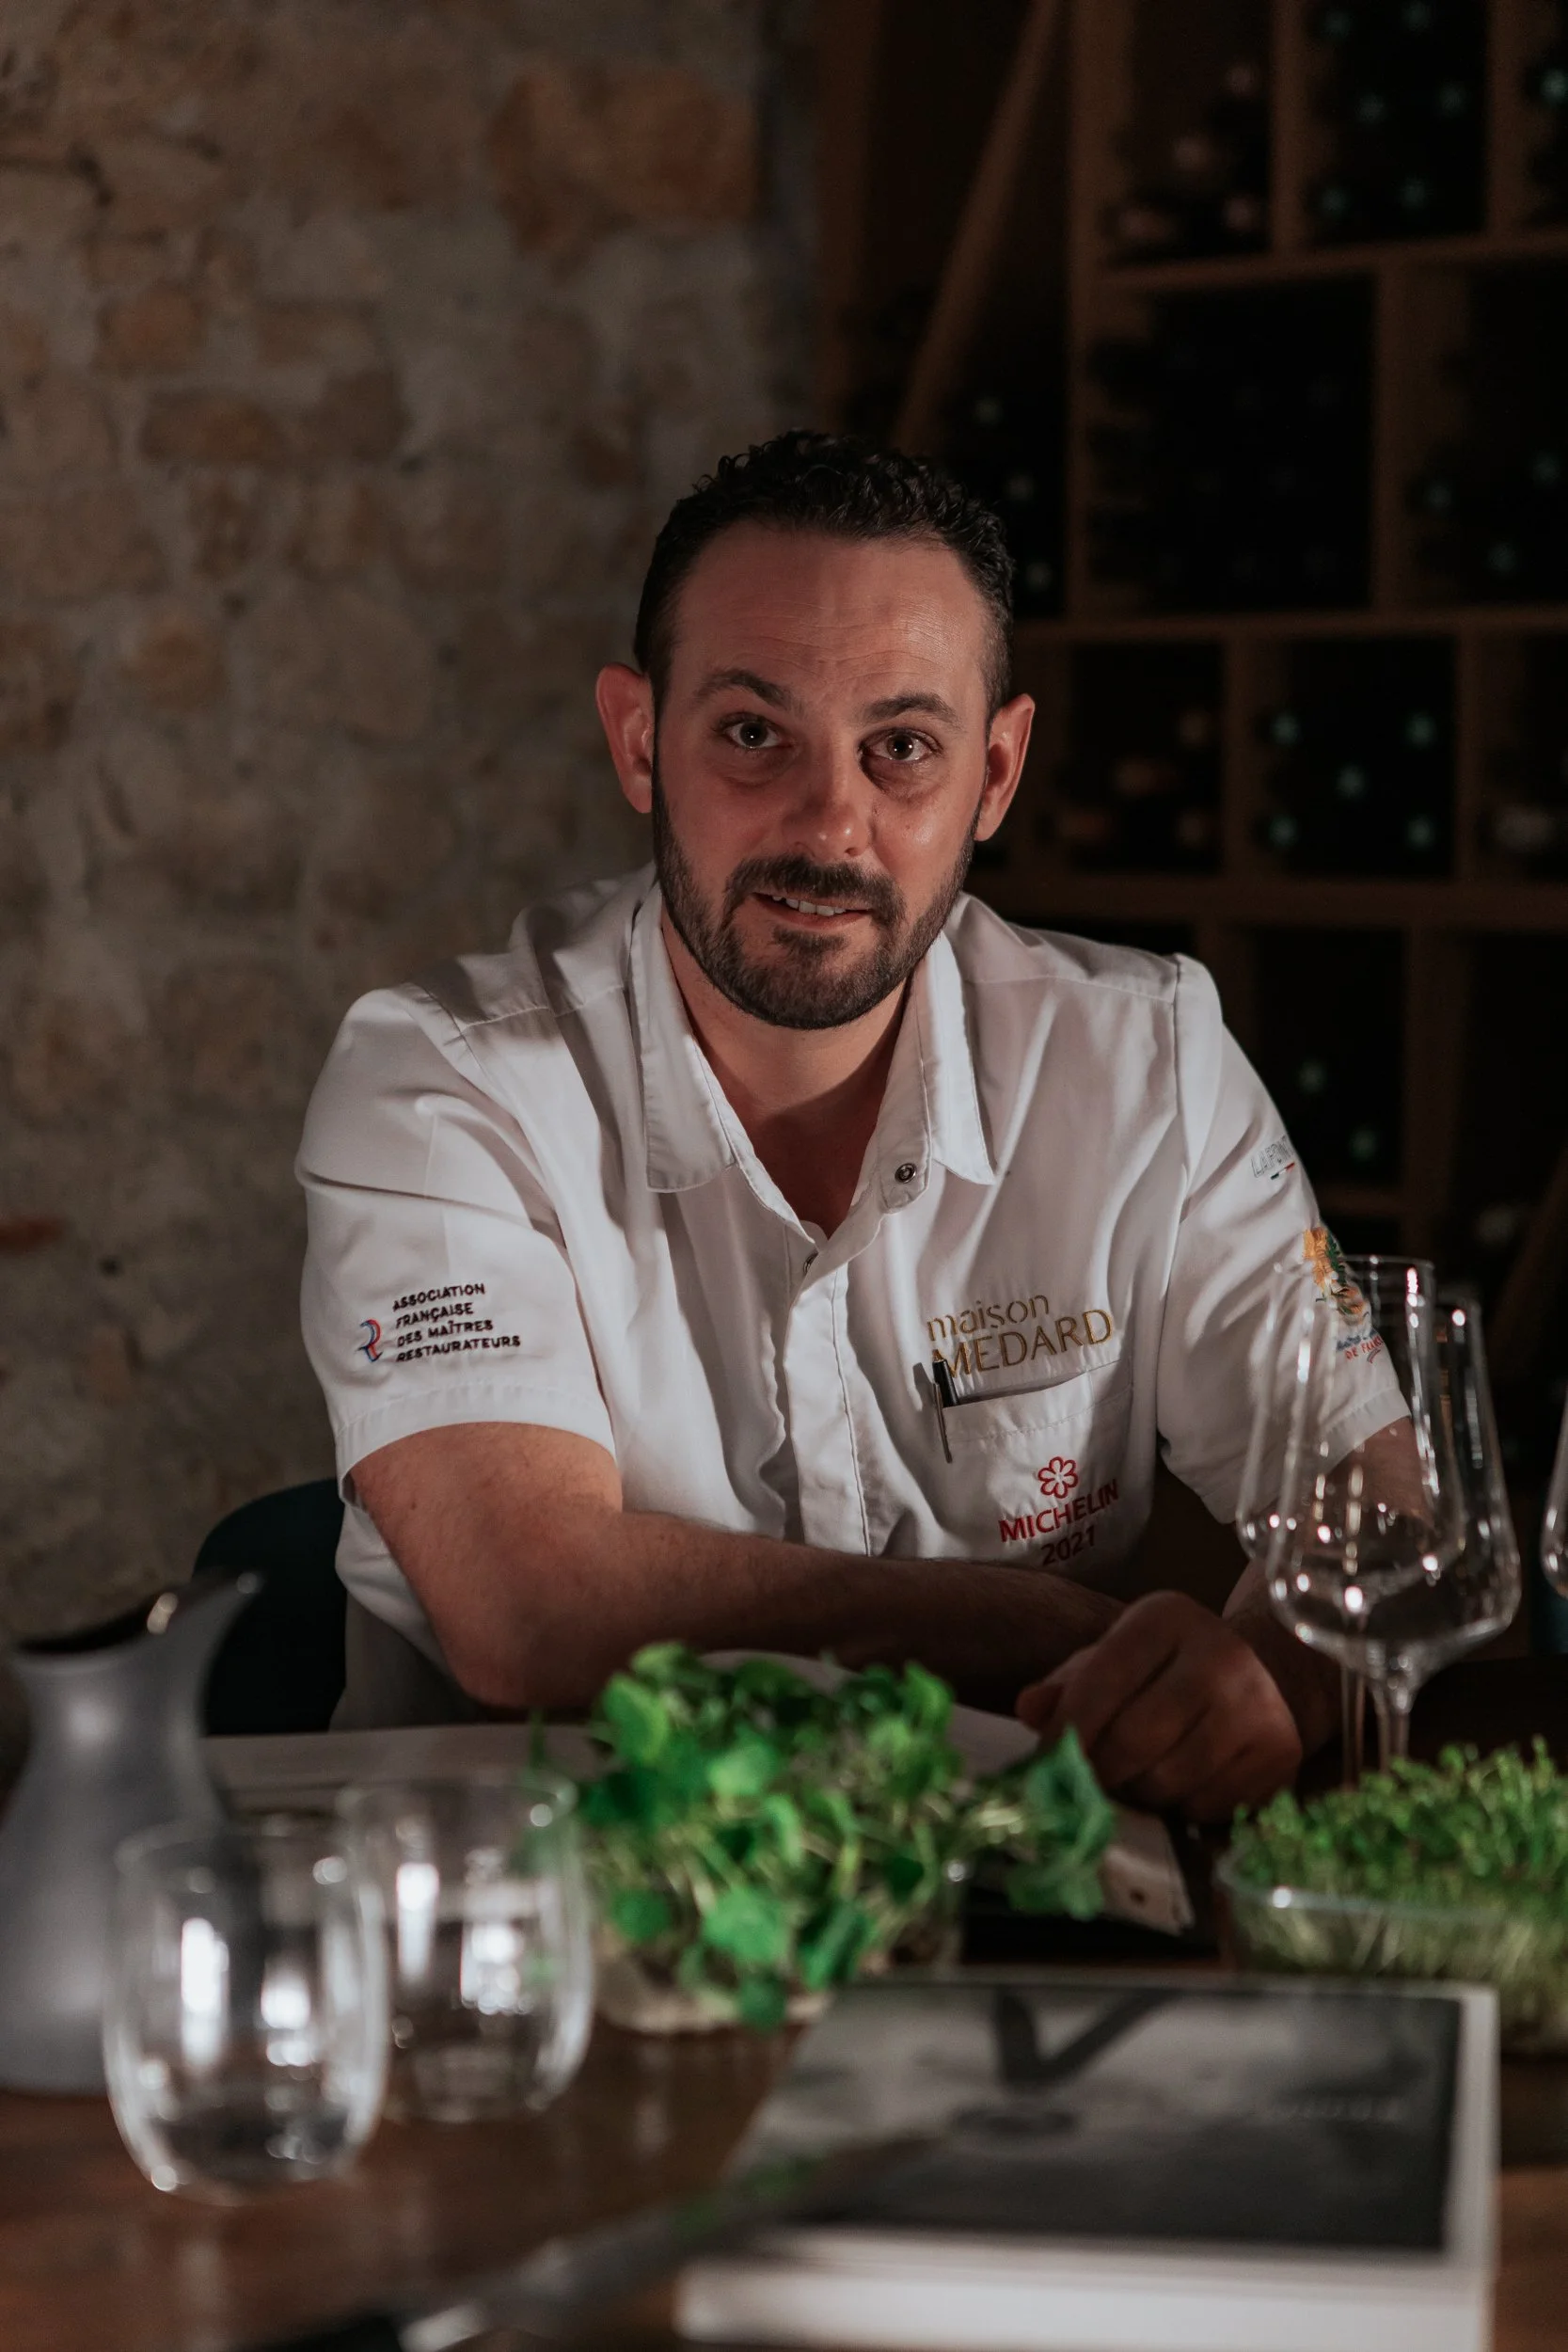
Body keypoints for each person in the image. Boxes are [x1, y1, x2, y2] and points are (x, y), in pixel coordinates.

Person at [297, 431, 1372, 1817]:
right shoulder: (442, 1088)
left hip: (1023, 1911)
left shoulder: (1145, 1058)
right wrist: (1058, 1634)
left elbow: (1379, 1509)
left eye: (901, 749)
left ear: (993, 774)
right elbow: (532, 1610)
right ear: (638, 741)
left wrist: (1276, 1678)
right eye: (754, 734)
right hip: (530, 1932)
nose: (829, 823)